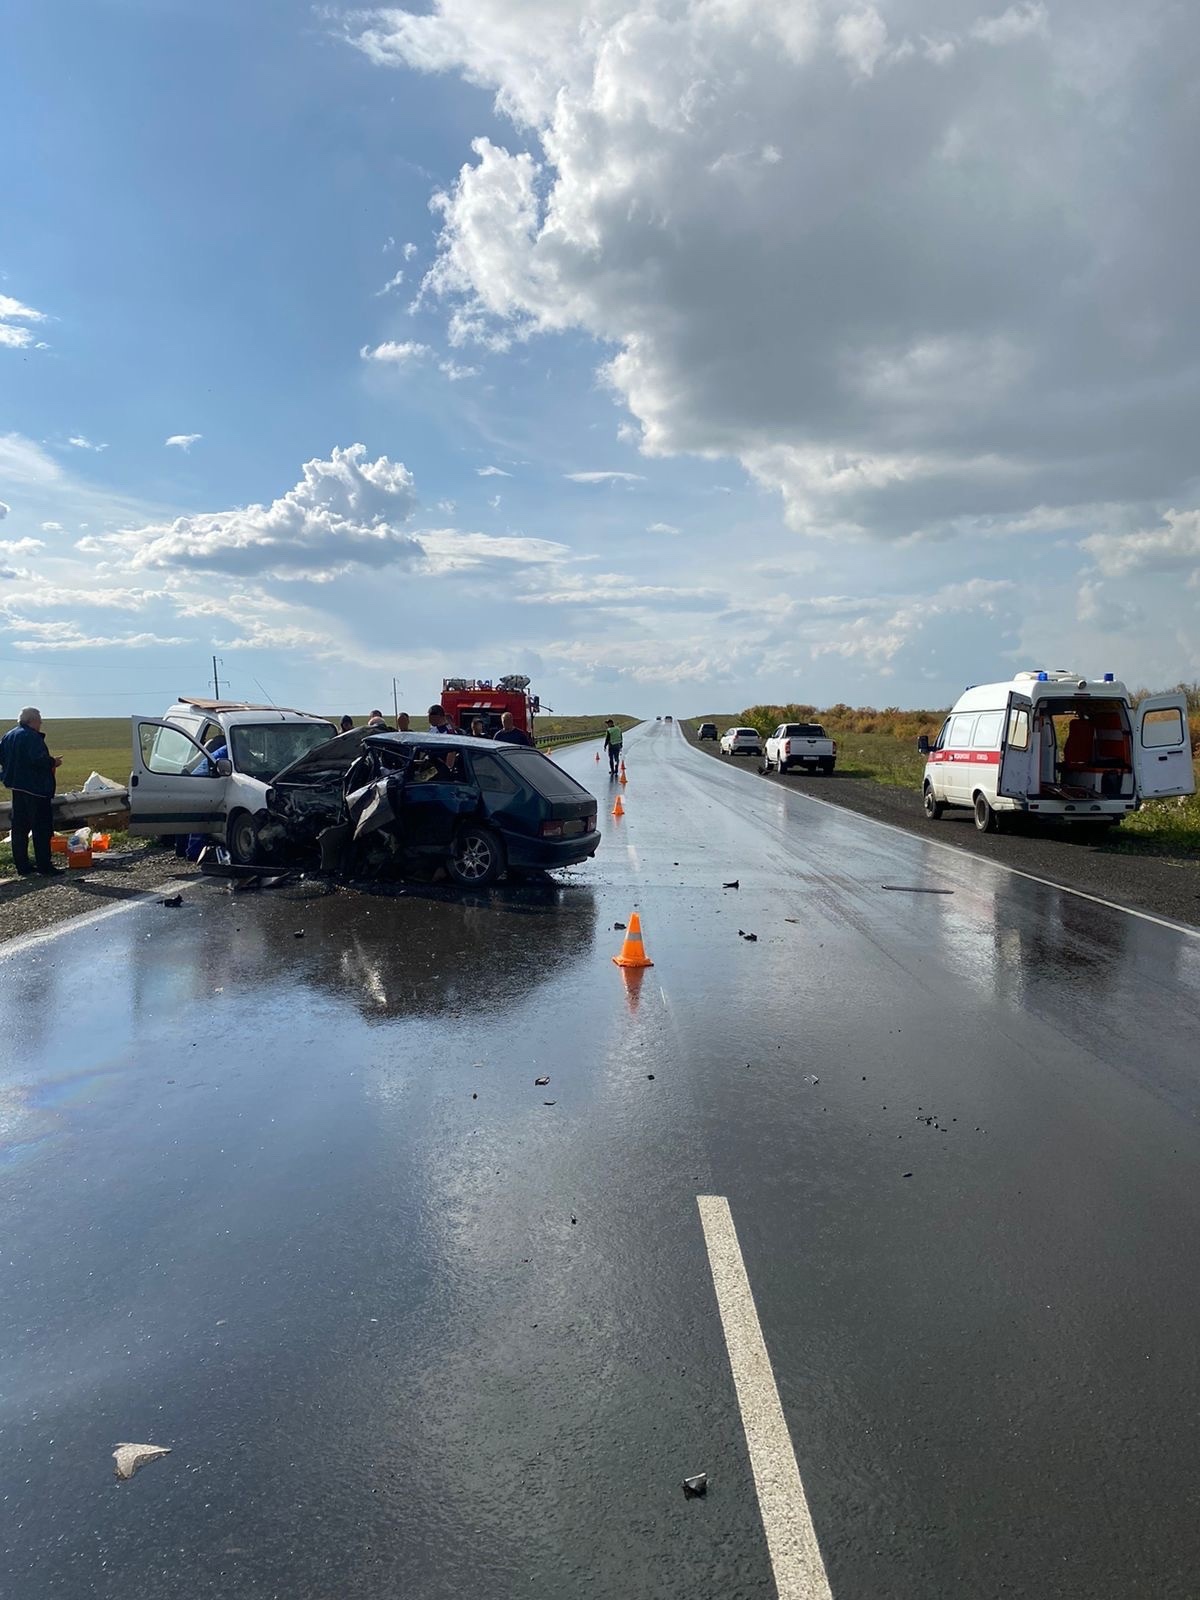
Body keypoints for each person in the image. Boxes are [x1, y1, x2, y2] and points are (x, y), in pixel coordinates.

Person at [1, 706, 63, 876]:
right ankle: (44, 865)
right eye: (39, 719)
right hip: (35, 789)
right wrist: (53, 762)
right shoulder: (31, 737)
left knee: (20, 829)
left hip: (17, 788)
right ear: (32, 721)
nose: (41, 723)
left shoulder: (8, 736)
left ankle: (22, 866)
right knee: (41, 829)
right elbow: (38, 760)